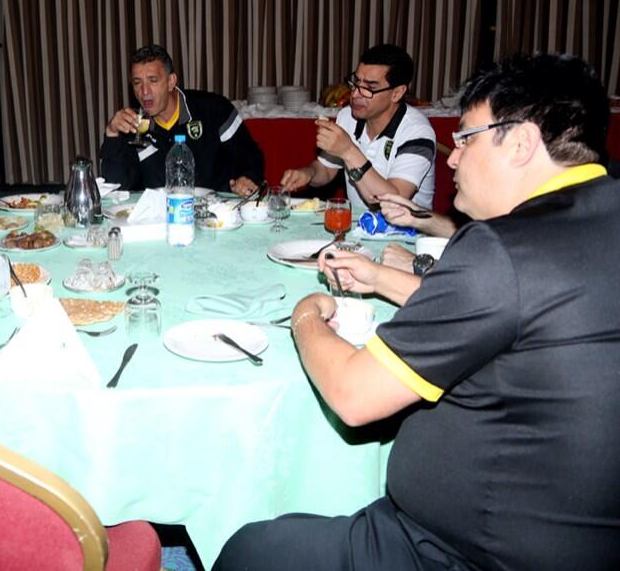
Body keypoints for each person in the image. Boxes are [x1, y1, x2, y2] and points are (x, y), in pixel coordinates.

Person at [215, 54, 620, 571]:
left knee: (251, 551)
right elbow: (521, 311)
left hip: (468, 549)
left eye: (467, 139)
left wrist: (306, 315)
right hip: (580, 535)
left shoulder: (500, 249)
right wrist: (381, 278)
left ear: (521, 143)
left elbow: (353, 396)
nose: (453, 160)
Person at [280, 44, 436, 211]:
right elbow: (326, 170)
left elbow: (393, 203)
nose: (355, 94)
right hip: (357, 224)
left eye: (370, 88)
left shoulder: (417, 132)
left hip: (405, 226)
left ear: (397, 93)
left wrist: (348, 151)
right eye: (356, 82)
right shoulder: (348, 116)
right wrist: (308, 173)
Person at [99, 44, 264, 195]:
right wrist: (112, 134)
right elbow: (117, 188)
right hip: (160, 215)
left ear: (171, 81)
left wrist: (248, 177)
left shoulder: (213, 109)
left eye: (153, 81)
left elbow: (251, 156)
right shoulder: (134, 125)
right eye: (137, 83)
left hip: (217, 211)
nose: (144, 92)